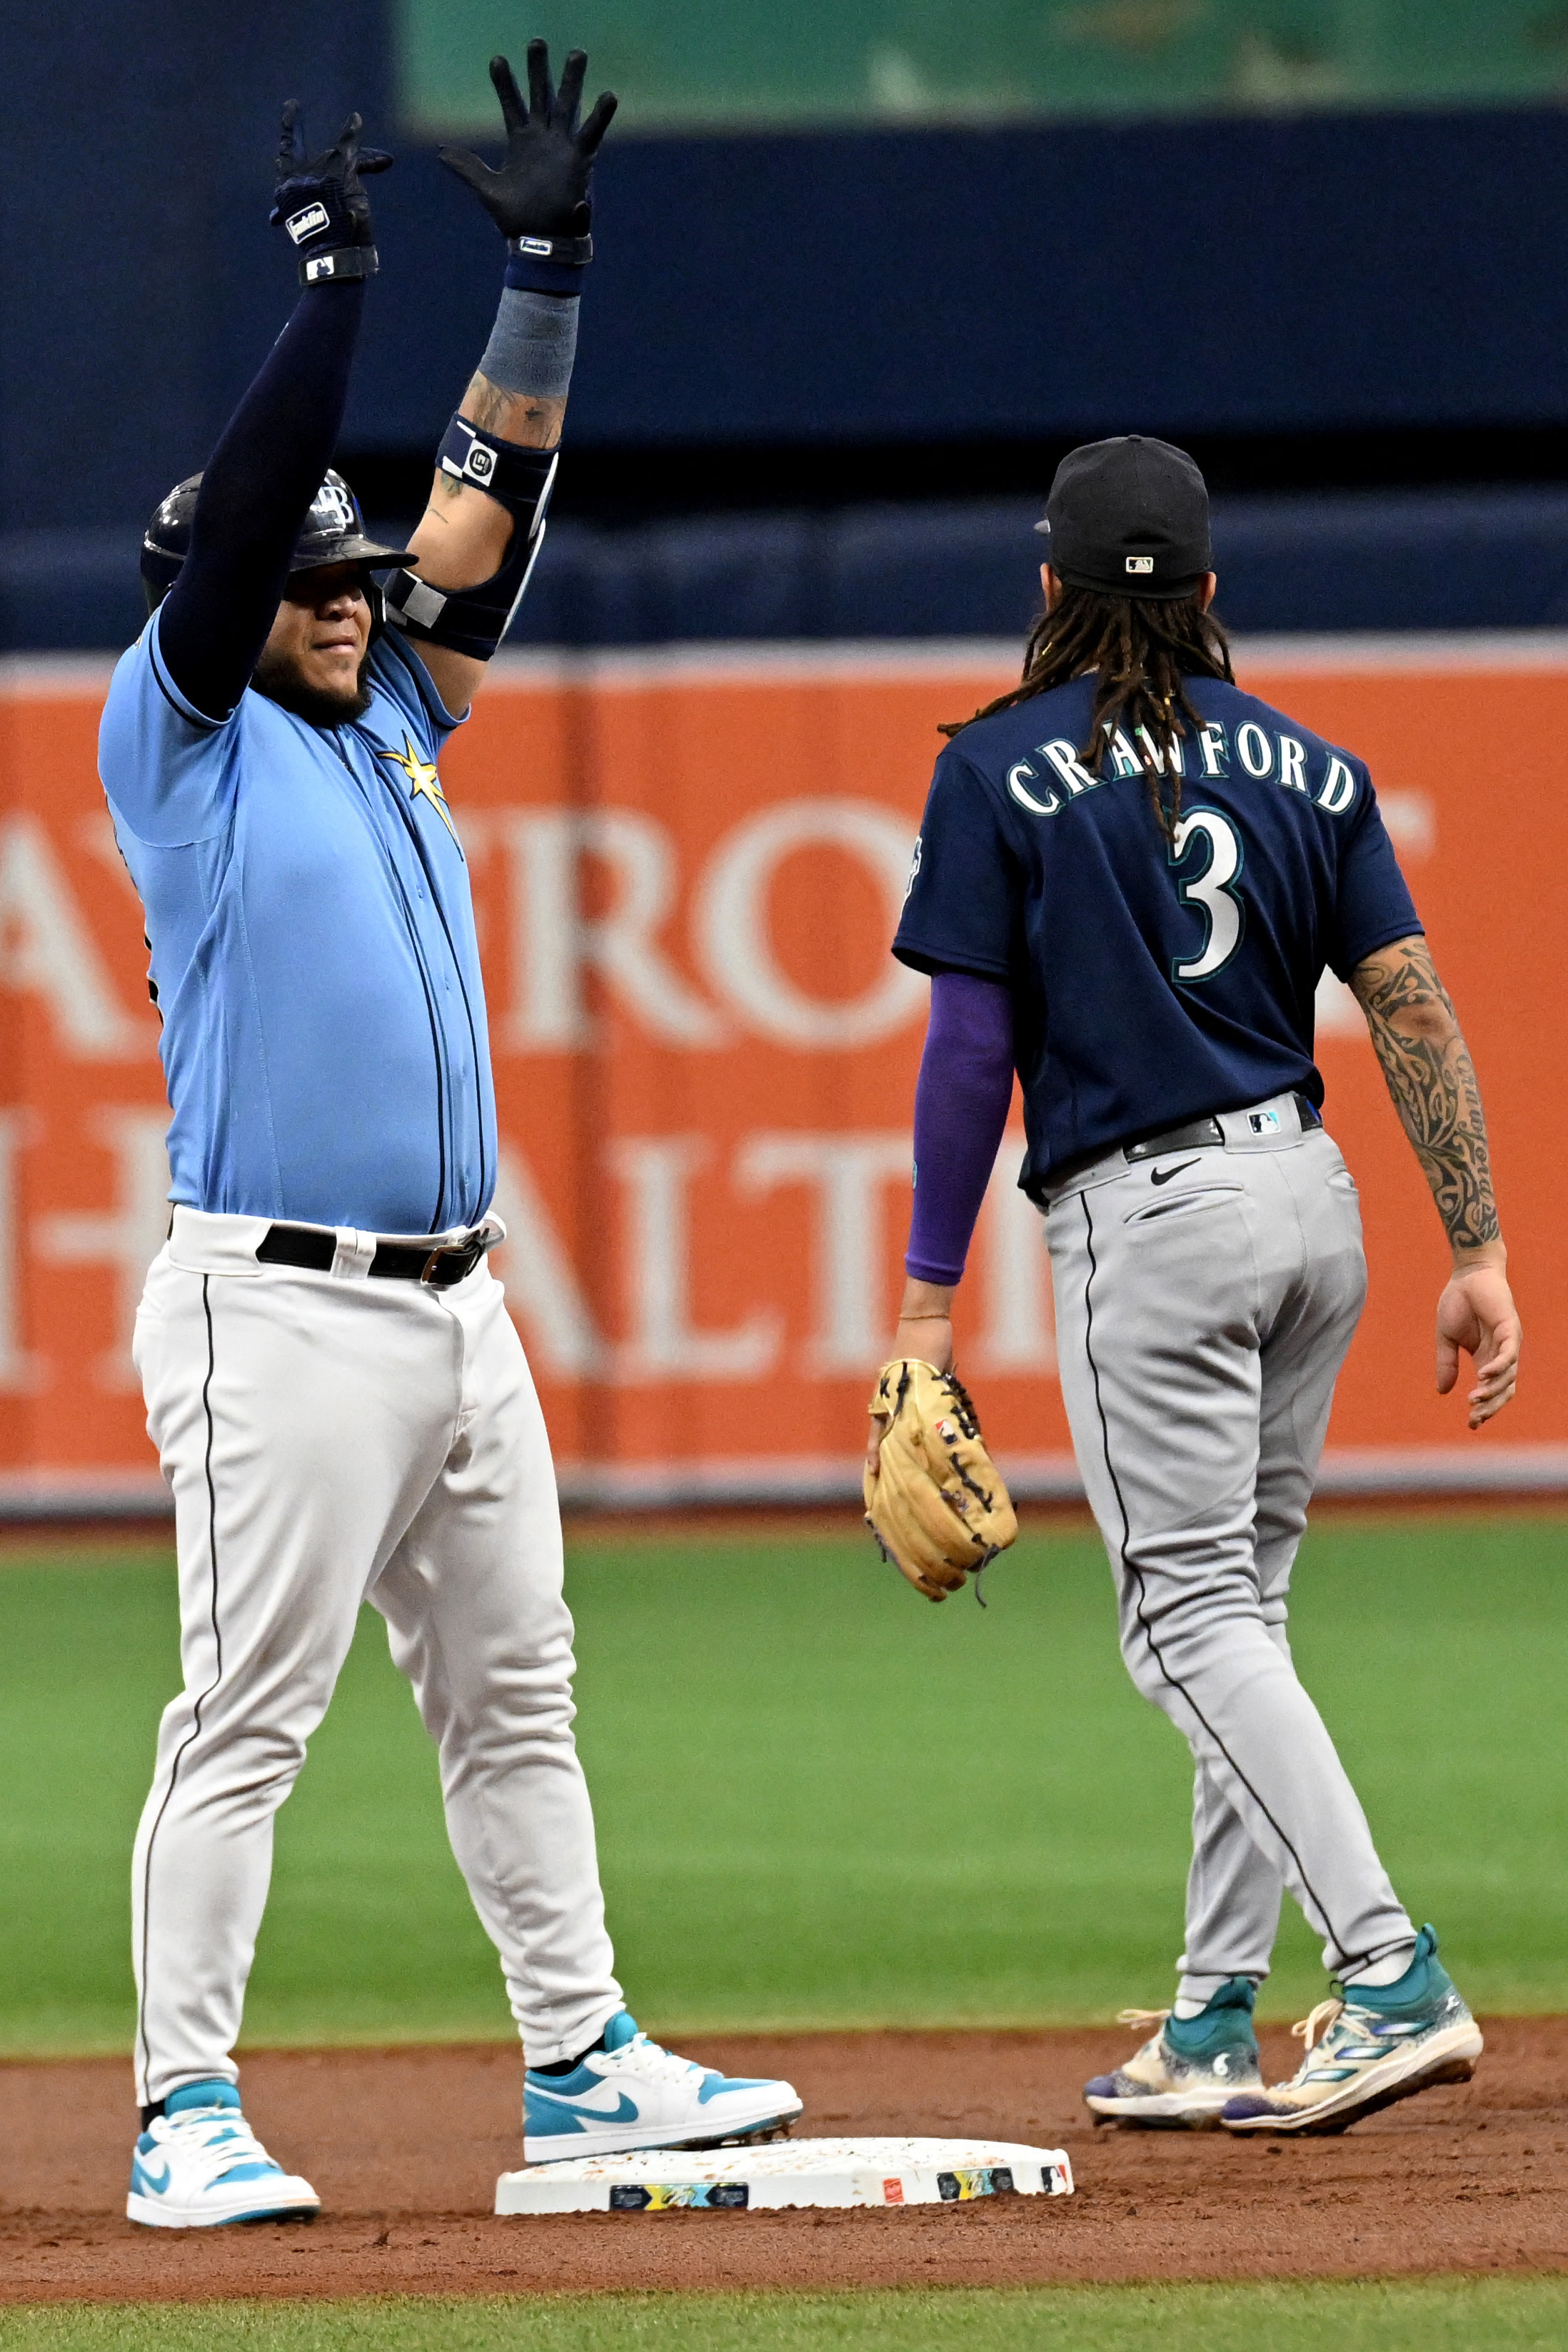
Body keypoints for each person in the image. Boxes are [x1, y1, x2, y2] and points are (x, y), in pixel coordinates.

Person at [99, 48, 799, 2231]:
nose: (353, 588)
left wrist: (545, 276)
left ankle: (586, 2057)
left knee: (518, 1696)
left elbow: (486, 501)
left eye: (353, 571)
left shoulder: (392, 704)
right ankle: (178, 2110)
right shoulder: (182, 736)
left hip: (455, 1306)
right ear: (226, 582)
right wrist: (323, 295)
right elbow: (257, 511)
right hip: (273, 1308)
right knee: (248, 1714)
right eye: (314, 567)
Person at [873, 435, 1519, 2136]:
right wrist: (1480, 1251)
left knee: (1189, 1625)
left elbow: (967, 1053)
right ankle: (1216, 2017)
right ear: (1214, 597)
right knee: (1249, 1618)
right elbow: (1414, 1007)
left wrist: (929, 1302)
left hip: (1154, 1222)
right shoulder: (1313, 767)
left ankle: (1387, 1975)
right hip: (1315, 1209)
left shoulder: (998, 766)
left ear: (1049, 594)